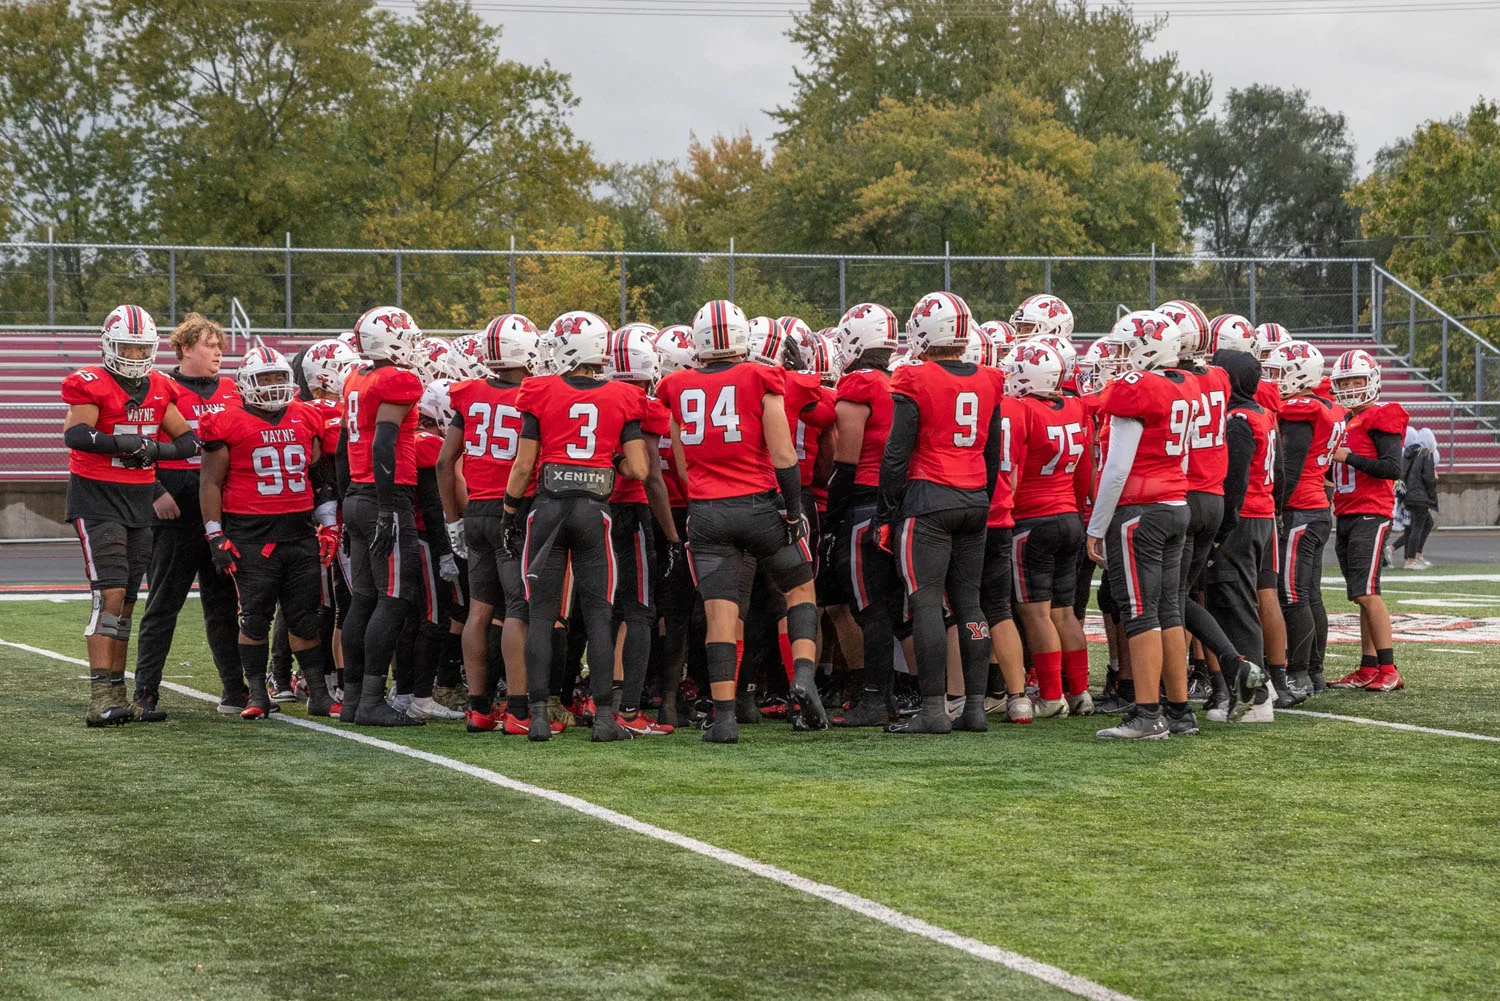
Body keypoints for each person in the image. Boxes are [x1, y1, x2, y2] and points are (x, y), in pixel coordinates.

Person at [657, 299, 824, 743]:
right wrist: (792, 509)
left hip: (707, 512)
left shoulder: (676, 385)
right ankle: (802, 678)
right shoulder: (760, 376)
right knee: (800, 587)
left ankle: (725, 716)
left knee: (721, 613)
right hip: (758, 505)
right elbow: (784, 452)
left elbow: (679, 461)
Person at [504, 310, 653, 742]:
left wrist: (509, 512)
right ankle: (605, 718)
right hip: (595, 513)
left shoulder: (540, 390)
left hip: (547, 510)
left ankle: (535, 717)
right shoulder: (623, 396)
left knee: (541, 615)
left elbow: (524, 465)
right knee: (600, 616)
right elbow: (640, 469)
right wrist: (609, 461)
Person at [62, 305, 199, 726]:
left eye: (142, 350)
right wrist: (121, 442)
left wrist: (156, 450)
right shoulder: (91, 383)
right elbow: (76, 434)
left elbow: (190, 442)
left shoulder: (160, 385)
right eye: (127, 348)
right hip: (97, 498)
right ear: (108, 345)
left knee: (128, 601)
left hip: (139, 501)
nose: (135, 357)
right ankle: (100, 696)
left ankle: (120, 695)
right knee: (110, 596)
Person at [877, 292, 1001, 734]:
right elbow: (993, 452)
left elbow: (896, 455)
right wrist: (979, 494)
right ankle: (975, 707)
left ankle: (932, 710)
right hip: (973, 499)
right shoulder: (990, 378)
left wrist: (885, 512)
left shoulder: (915, 377)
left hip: (928, 499)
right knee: (970, 604)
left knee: (926, 602)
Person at [198, 346, 335, 719]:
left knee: (306, 617)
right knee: (255, 618)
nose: (274, 386)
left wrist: (329, 523)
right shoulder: (226, 422)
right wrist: (214, 534)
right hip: (250, 534)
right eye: (265, 378)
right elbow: (210, 483)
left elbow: (317, 476)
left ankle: (319, 695)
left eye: (279, 377)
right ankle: (258, 694)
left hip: (299, 530)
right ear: (245, 383)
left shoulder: (307, 416)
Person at [1086, 310, 1199, 740]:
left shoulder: (1138, 388)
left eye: (1122, 349)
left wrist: (1097, 526)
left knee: (1140, 612)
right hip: (1176, 504)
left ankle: (1148, 714)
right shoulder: (1184, 384)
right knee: (1168, 611)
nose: (1116, 359)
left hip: (1141, 511)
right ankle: (1180, 710)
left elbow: (1116, 468)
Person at [132, 313, 243, 715]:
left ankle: (235, 689)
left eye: (219, 345)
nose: (219, 352)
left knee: (224, 605)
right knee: (163, 604)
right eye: (210, 345)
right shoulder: (159, 386)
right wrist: (156, 491)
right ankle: (145, 692)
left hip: (221, 508)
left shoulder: (233, 389)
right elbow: (137, 444)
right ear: (184, 348)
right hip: (175, 504)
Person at [438, 314, 544, 734]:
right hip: (512, 510)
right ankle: (517, 708)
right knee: (519, 608)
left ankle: (478, 707)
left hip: (476, 512)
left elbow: (446, 462)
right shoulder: (533, 393)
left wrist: (452, 521)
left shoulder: (468, 393)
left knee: (479, 609)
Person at [339, 305, 429, 726]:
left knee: (364, 599)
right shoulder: (398, 379)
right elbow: (384, 445)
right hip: (383, 497)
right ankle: (372, 700)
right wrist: (389, 506)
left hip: (358, 494)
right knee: (394, 599)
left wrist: (345, 503)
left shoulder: (357, 377)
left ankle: (355, 699)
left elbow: (345, 447)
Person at [1004, 339, 1093, 719]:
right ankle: (1081, 693)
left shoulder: (1022, 411)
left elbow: (1015, 470)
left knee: (1036, 614)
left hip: (1033, 519)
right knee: (1065, 612)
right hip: (1069, 516)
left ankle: (1053, 695)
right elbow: (1085, 470)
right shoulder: (1075, 405)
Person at [825, 303, 904, 728]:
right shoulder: (900, 380)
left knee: (869, 607)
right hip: (900, 502)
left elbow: (846, 463)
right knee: (888, 607)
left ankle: (875, 698)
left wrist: (832, 520)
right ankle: (888, 696)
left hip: (864, 504)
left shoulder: (859, 384)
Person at [602, 323, 681, 735]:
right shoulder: (641, 404)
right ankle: (628, 710)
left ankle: (600, 703)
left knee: (601, 611)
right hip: (628, 514)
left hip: (590, 511)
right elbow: (649, 476)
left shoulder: (595, 394)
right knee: (639, 611)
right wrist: (670, 535)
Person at [1328, 349, 1409, 692]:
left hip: (1371, 512)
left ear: (1372, 380)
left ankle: (1389, 669)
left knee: (1367, 592)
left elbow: (1392, 469)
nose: (1350, 387)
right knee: (1360, 593)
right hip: (1347, 511)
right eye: (1344, 382)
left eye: (1356, 380)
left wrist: (1350, 456)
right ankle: (1368, 666)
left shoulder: (1381, 416)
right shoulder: (1348, 421)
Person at [1267, 339, 1342, 698]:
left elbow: (1291, 469)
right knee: (1309, 593)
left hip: (1300, 508)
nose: (1276, 380)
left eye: (1282, 373)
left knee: (1293, 594)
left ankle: (1299, 672)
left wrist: (1277, 508)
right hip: (1316, 509)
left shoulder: (1303, 411)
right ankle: (1313, 671)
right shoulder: (1326, 404)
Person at [1401, 429, 1438, 569]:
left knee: (1427, 523)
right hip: (1421, 496)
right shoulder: (1426, 454)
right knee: (1418, 526)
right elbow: (1428, 478)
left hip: (1409, 494)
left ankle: (1416, 554)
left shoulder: (1410, 453)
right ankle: (1411, 559)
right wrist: (1432, 494)